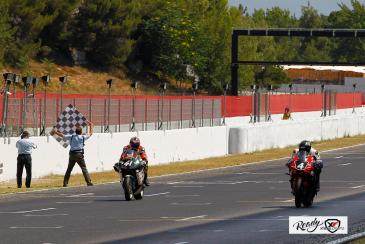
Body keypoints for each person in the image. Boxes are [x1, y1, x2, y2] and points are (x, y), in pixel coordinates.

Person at [51, 122, 94, 187]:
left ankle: (65, 183)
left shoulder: (72, 136)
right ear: (81, 132)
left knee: (69, 169)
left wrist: (55, 132)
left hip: (72, 154)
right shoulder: (83, 137)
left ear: (75, 132)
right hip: (79, 154)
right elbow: (91, 134)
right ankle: (88, 182)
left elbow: (62, 135)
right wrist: (91, 126)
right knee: (83, 168)